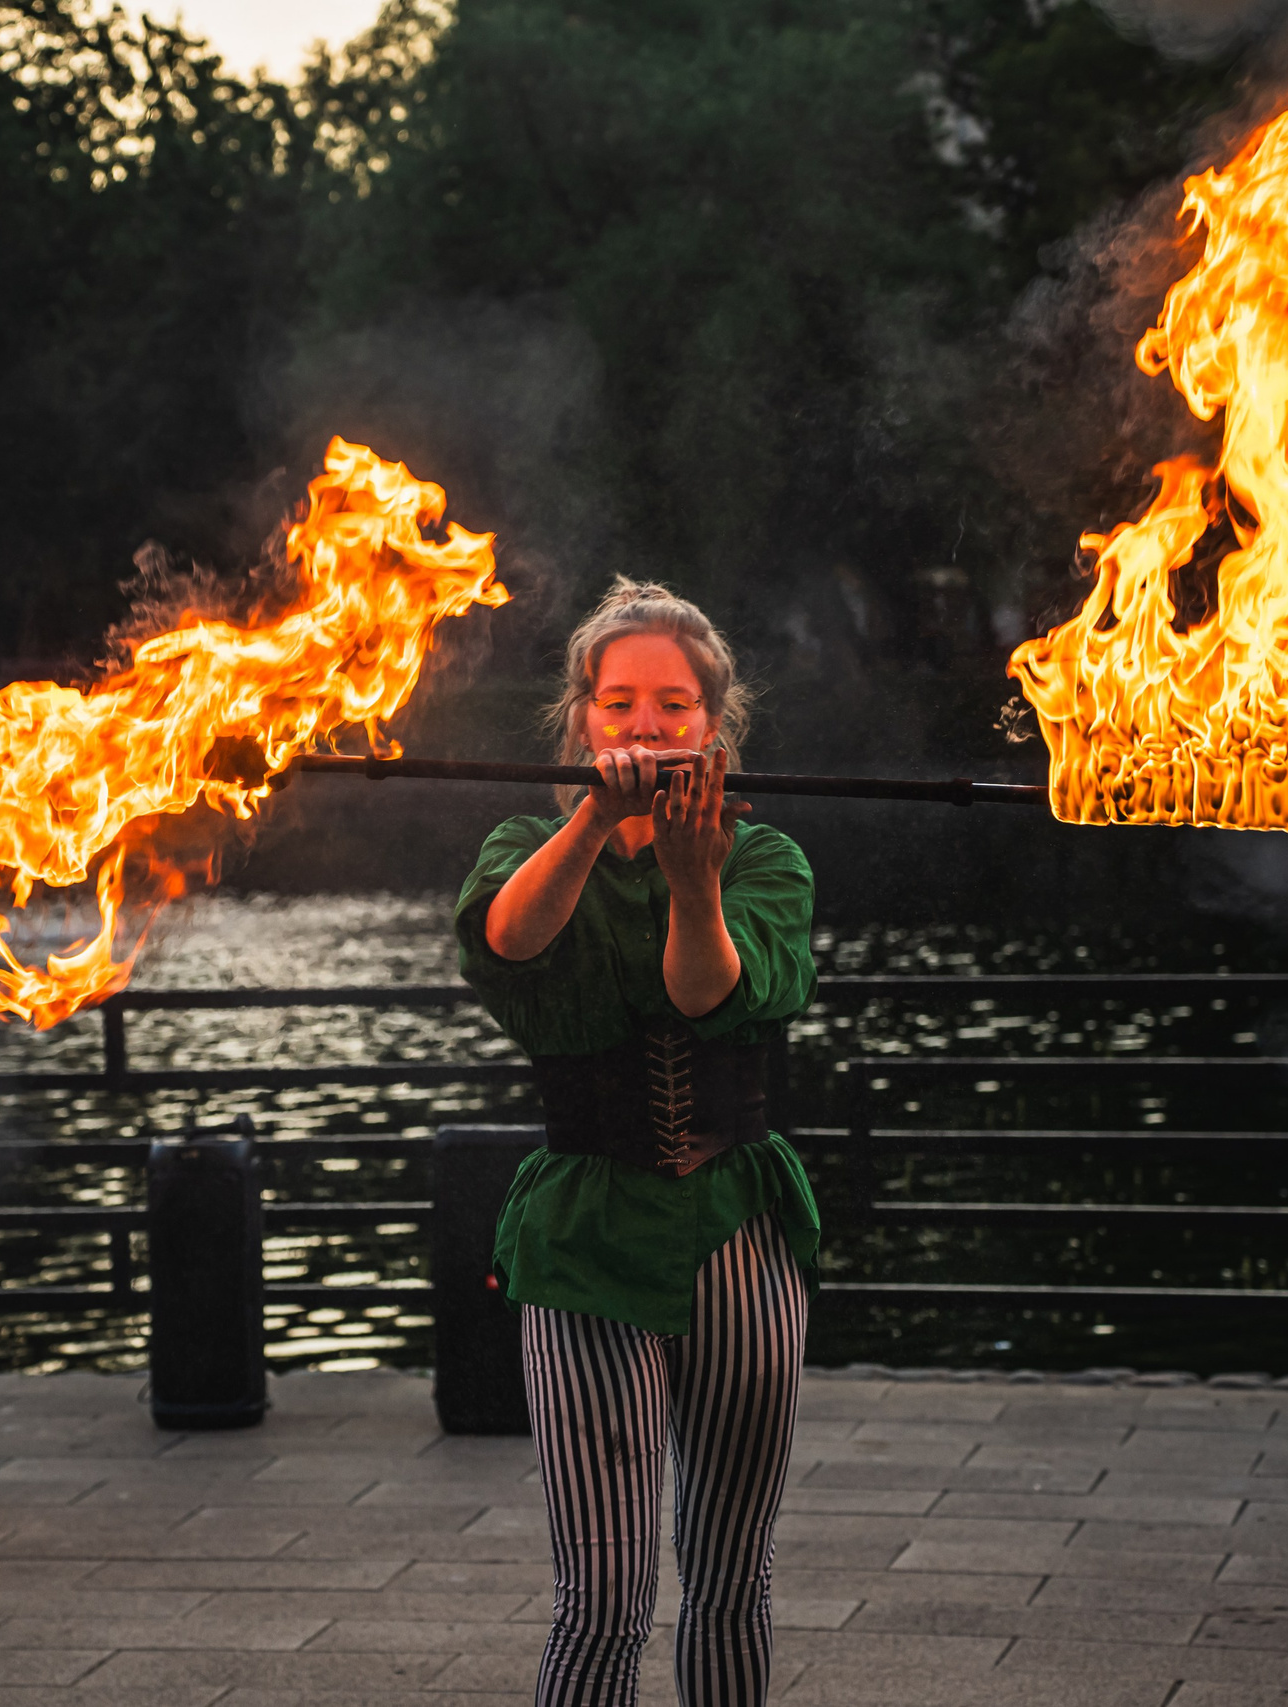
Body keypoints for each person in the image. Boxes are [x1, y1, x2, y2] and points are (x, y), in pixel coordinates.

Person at [455, 579, 819, 1706]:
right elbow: (510, 945)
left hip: (736, 1235)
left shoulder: (765, 860)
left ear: (716, 724)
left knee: (728, 1582)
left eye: (672, 704)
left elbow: (708, 996)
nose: (645, 726)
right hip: (586, 1241)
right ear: (581, 719)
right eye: (618, 703)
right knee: (604, 1605)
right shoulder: (525, 841)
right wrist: (594, 821)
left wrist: (691, 880)